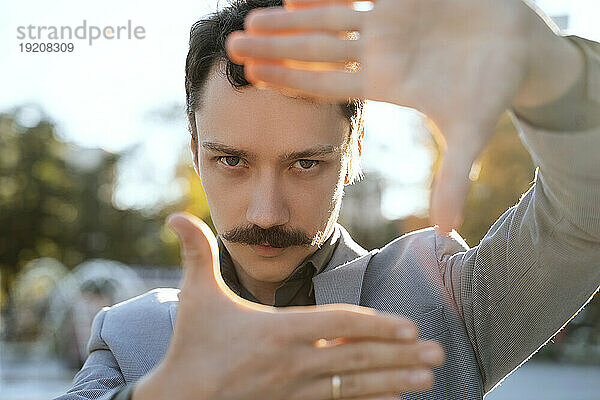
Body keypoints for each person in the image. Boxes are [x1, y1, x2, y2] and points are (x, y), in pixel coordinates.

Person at [56, 0, 600, 399]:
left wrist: (555, 79)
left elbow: (586, 219)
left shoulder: (440, 300)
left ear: (354, 150)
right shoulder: (132, 335)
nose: (266, 212)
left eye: (305, 163)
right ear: (196, 150)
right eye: (232, 160)